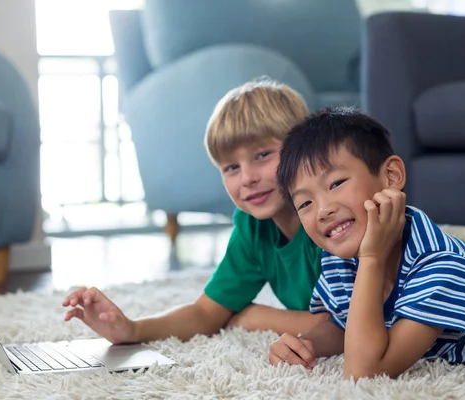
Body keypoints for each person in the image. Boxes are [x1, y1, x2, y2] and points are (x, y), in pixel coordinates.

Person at [61, 80, 329, 344]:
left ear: (301, 149)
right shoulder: (253, 226)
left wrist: (255, 318)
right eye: (231, 168)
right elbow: (205, 313)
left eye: (262, 155)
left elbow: (350, 326)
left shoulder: (331, 216)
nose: (247, 178)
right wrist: (132, 330)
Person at [269, 107, 465, 380]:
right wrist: (304, 345)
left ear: (391, 176)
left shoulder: (444, 265)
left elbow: (364, 372)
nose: (322, 210)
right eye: (305, 203)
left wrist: (371, 258)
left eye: (336, 183)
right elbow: (342, 325)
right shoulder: (338, 257)